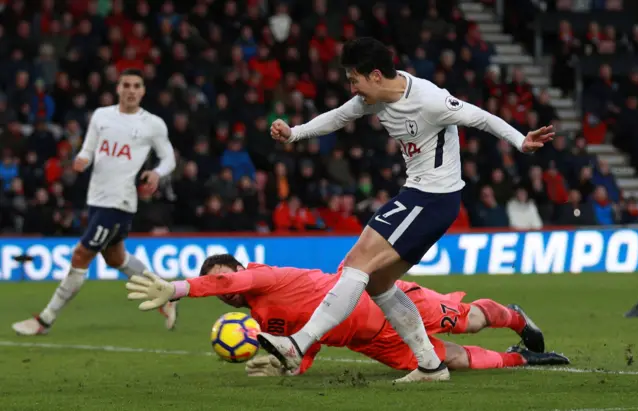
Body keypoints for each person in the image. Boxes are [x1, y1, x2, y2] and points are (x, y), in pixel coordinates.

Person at [263, 37, 555, 382]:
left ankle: (297, 343)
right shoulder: (374, 98)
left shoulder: (430, 100)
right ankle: (430, 365)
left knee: (357, 263)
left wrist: (521, 141)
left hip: (432, 198)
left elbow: (481, 117)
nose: (351, 87)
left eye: (353, 79)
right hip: (420, 196)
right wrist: (294, 134)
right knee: (377, 284)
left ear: (374, 75)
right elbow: (339, 117)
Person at [125, 254, 569, 377]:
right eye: (218, 291)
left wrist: (182, 287)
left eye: (224, 282)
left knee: (467, 319)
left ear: (241, 271)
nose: (225, 293)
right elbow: (309, 338)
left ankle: (512, 317)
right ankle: (520, 359)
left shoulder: (261, 276)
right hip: (369, 341)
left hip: (381, 300)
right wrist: (293, 367)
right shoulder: (259, 323)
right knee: (447, 360)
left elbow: (230, 283)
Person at [12, 69, 178, 336]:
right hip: (97, 198)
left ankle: (45, 319)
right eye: (126, 85)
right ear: (118, 88)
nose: (131, 90)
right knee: (116, 258)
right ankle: (167, 293)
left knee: (81, 254)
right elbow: (88, 149)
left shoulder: (153, 124)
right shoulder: (102, 116)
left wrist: (157, 173)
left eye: (137, 85)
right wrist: (82, 159)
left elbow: (169, 157)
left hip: (120, 200)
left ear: (143, 90)